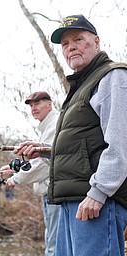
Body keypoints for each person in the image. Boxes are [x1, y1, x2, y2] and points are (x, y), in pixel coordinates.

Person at [13, 14, 127, 255]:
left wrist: (99, 193)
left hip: (95, 204)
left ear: (96, 41)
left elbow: (121, 143)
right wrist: (43, 151)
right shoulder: (78, 89)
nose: (70, 47)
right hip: (71, 203)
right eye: (65, 44)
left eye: (78, 39)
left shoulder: (112, 77)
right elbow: (81, 148)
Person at [1, 91, 60, 256]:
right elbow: (37, 159)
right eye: (31, 105)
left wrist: (15, 179)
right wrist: (12, 168)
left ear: (49, 104)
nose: (34, 108)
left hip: (55, 193)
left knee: (54, 244)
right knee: (53, 240)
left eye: (38, 103)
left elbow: (44, 163)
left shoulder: (54, 124)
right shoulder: (46, 126)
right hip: (50, 193)